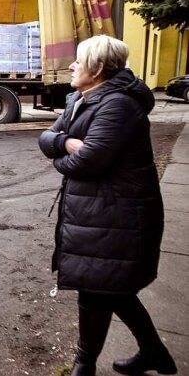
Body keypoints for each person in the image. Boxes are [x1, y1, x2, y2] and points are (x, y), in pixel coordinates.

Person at [38, 35, 176, 376]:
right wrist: (66, 142)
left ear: (98, 68)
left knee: (99, 289)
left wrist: (61, 158)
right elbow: (45, 139)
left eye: (79, 61)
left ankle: (84, 366)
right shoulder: (80, 99)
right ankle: (154, 353)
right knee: (110, 288)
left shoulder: (118, 105)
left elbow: (89, 162)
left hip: (119, 214)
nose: (71, 65)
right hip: (97, 212)